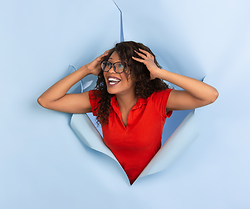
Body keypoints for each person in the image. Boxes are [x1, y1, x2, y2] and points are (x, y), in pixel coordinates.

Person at [37, 41, 218, 184]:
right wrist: (86, 70)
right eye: (108, 65)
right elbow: (46, 101)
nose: (110, 71)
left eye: (121, 66)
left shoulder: (158, 100)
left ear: (140, 72)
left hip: (154, 187)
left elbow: (210, 96)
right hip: (108, 188)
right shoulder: (101, 100)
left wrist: (158, 72)